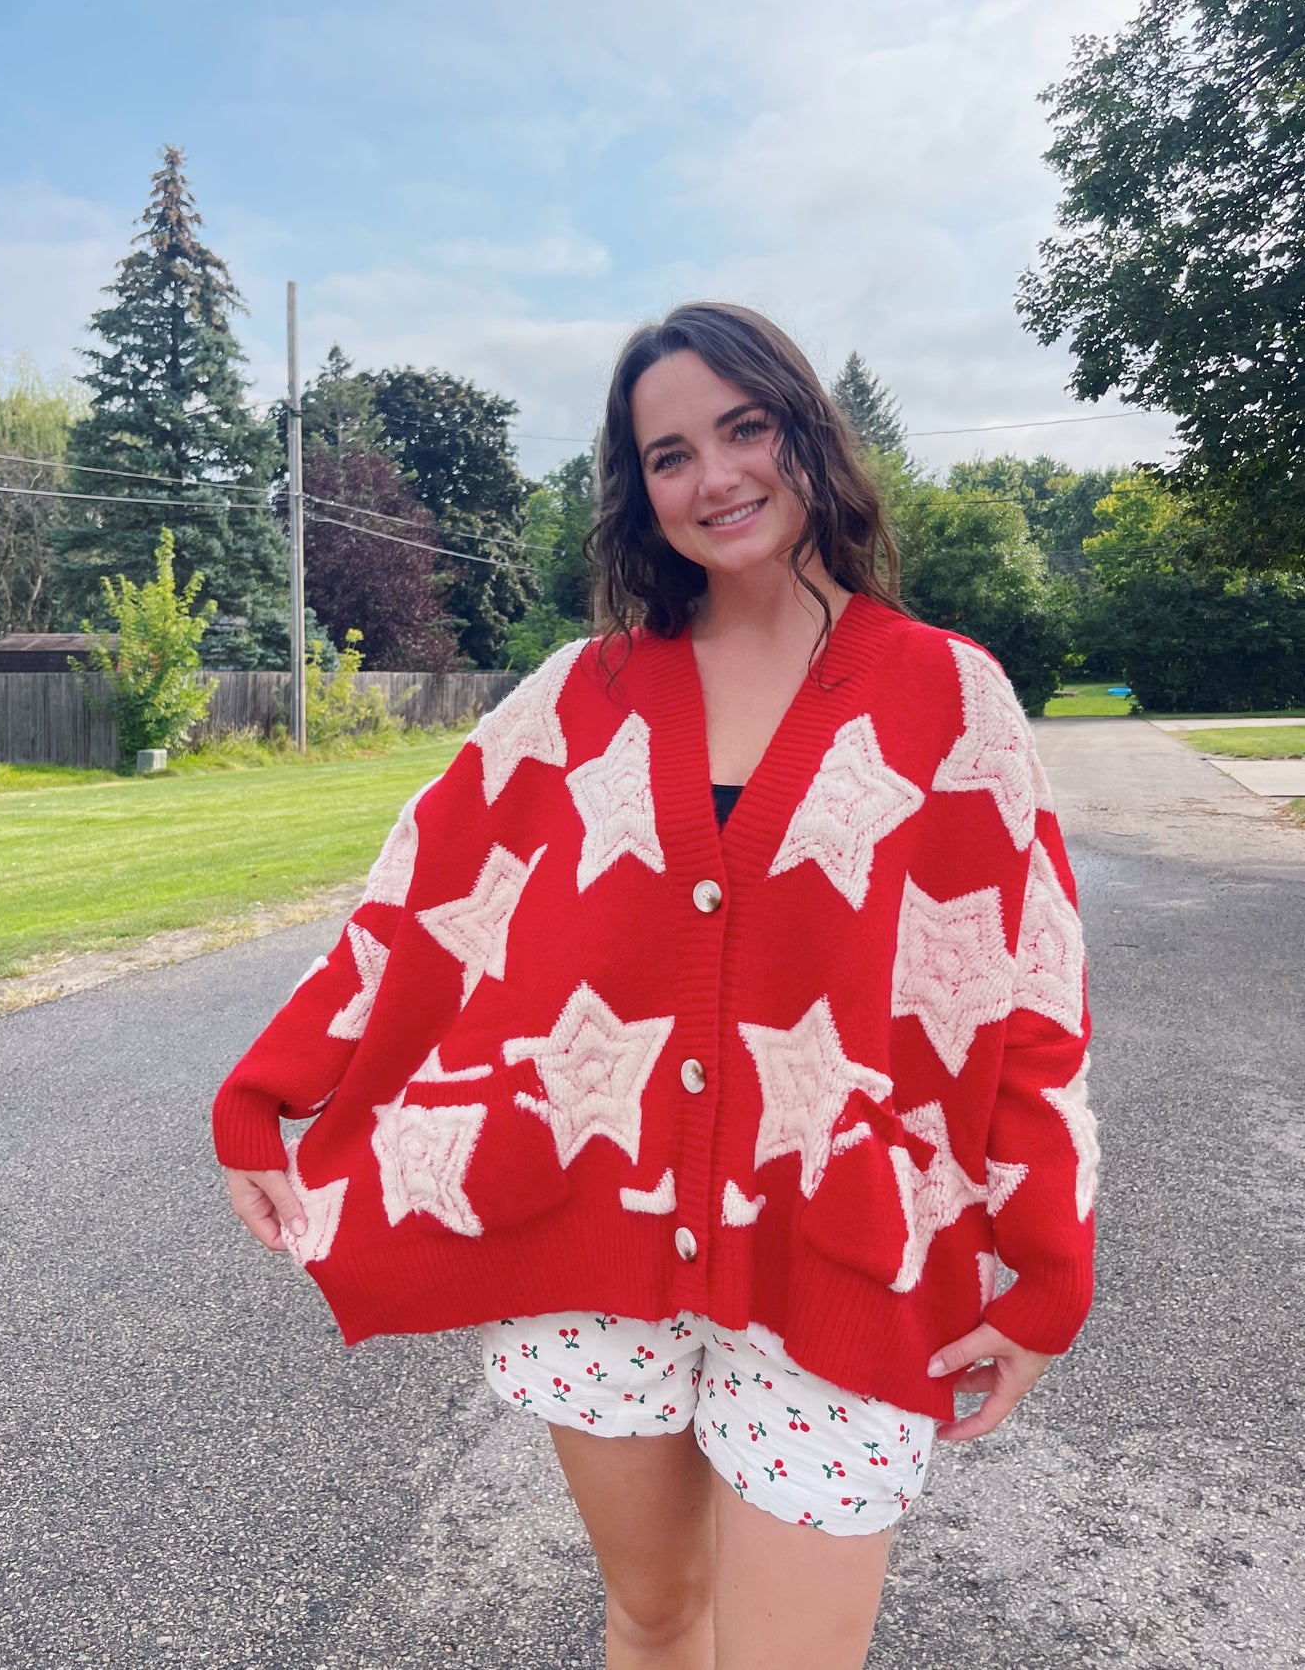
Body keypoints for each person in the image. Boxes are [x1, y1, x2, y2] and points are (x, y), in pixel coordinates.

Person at [213, 302, 1098, 1670]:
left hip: (835, 1254)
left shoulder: (948, 699)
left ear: (809, 439)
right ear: (639, 490)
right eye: (669, 452)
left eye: (744, 429)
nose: (715, 476)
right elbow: (423, 910)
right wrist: (268, 1091)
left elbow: (1026, 1002)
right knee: (650, 1616)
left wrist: (1045, 1268)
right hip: (597, 1254)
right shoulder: (580, 697)